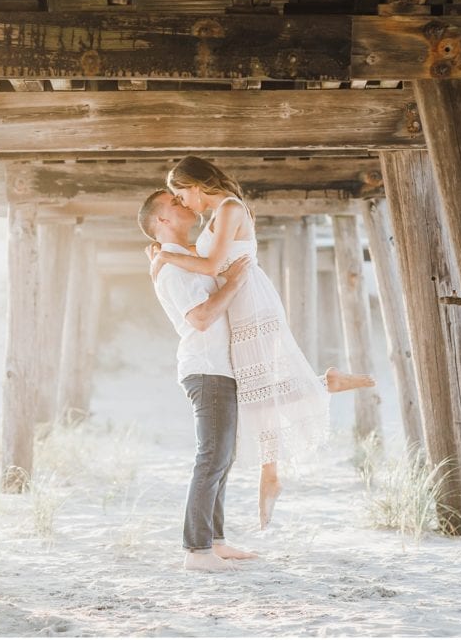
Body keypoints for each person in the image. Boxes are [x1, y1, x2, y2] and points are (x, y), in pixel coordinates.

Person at [150, 155, 376, 529]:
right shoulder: (220, 213)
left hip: (250, 300)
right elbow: (209, 258)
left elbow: (209, 267)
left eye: (179, 194)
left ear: (194, 184)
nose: (182, 203)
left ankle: (272, 473)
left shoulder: (228, 208)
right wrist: (168, 255)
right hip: (239, 298)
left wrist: (165, 256)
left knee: (258, 389)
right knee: (256, 391)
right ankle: (319, 392)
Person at [138, 188, 258, 571]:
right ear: (162, 221)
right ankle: (197, 551)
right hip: (206, 369)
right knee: (211, 458)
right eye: (175, 204)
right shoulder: (172, 268)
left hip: (220, 366)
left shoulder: (185, 260)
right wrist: (235, 284)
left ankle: (215, 541)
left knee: (224, 457)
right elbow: (202, 318)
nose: (185, 204)